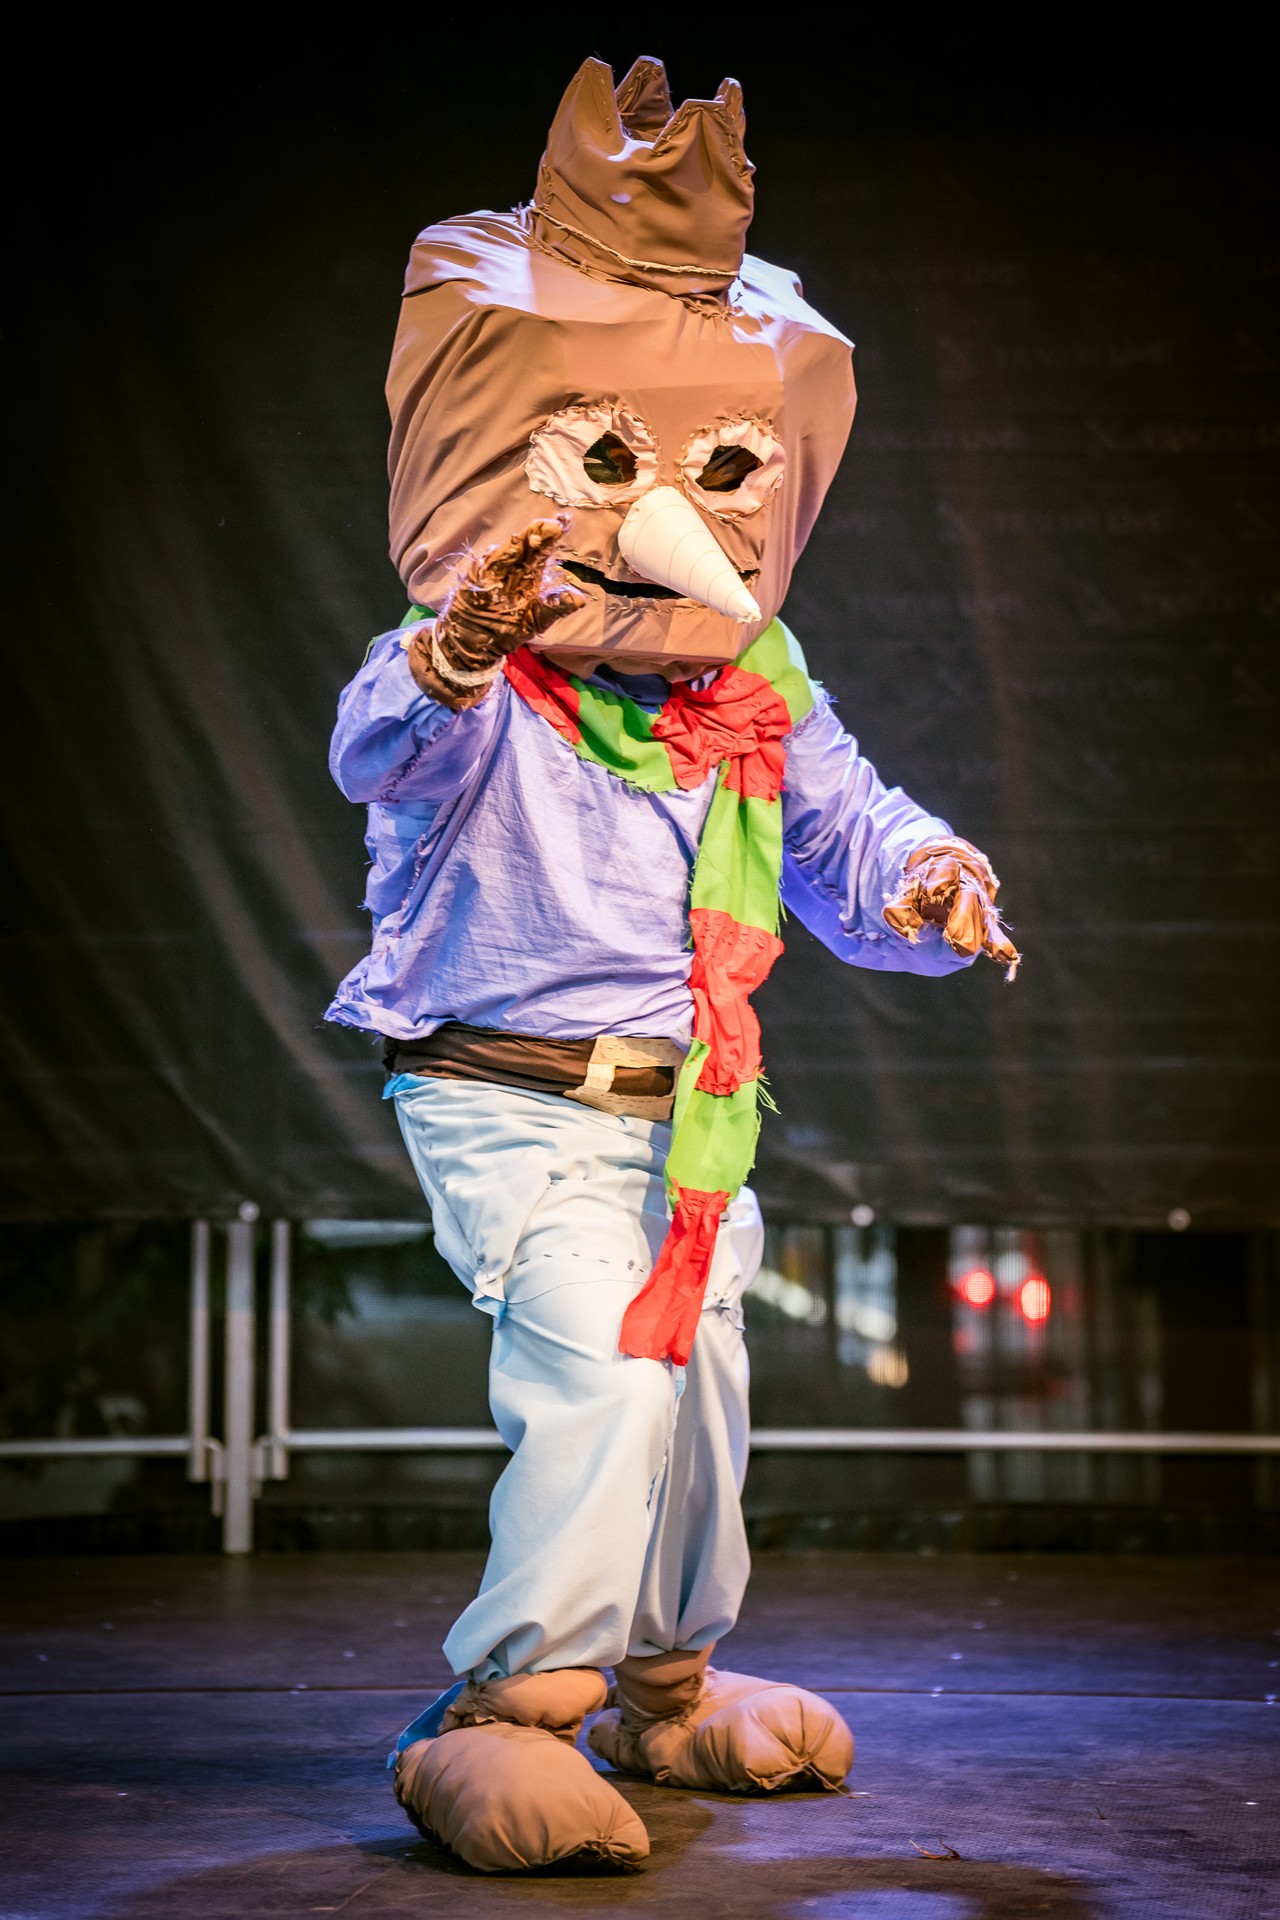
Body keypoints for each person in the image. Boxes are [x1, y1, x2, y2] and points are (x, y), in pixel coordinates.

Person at [327, 55, 1019, 1874]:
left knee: (699, 1392)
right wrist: (463, 639)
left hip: (690, 1118)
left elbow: (850, 837)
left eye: (720, 475)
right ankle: (500, 1713)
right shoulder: (486, 678)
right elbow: (381, 743)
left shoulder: (753, 689)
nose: (670, 525)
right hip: (511, 1100)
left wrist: (934, 880)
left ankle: (664, 1686)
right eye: (620, 464)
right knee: (609, 1373)